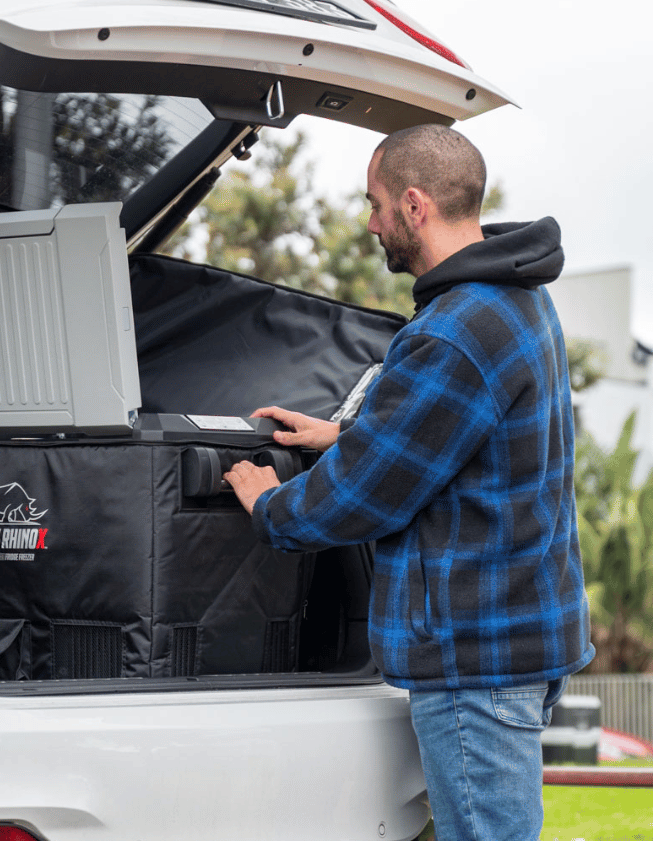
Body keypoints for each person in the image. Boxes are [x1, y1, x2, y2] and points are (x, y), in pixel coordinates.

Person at [223, 124, 593, 841]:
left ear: (415, 207)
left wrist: (267, 502)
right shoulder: (517, 299)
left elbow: (358, 497)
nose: (370, 222)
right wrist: (348, 431)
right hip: (521, 637)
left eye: (376, 203)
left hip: (473, 662)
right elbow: (466, 438)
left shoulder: (456, 331)